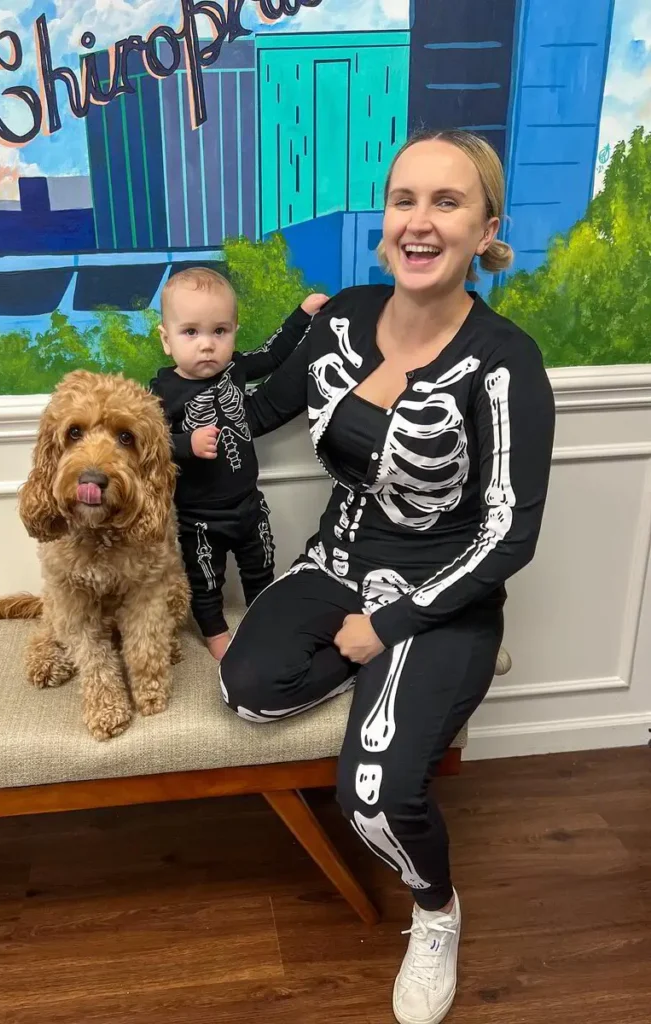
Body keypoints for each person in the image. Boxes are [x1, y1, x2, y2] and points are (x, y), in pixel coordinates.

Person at [220, 129, 556, 1024]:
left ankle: (435, 910)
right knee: (247, 690)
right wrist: (162, 410)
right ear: (384, 221)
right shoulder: (340, 320)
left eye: (446, 203)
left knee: (372, 793)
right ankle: (394, 698)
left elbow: (509, 534)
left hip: (443, 588)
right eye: (404, 200)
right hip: (337, 559)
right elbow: (257, 410)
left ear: (486, 228)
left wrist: (391, 628)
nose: (419, 221)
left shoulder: (504, 360)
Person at [149, 268, 329, 660]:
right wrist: (186, 443)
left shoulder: (237, 369)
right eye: (191, 332)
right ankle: (214, 632)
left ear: (233, 331)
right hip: (198, 515)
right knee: (205, 577)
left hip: (247, 503)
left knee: (261, 566)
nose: (208, 345)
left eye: (220, 331)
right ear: (167, 339)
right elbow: (149, 443)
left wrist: (302, 315)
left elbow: (273, 353)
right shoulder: (162, 390)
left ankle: (262, 617)